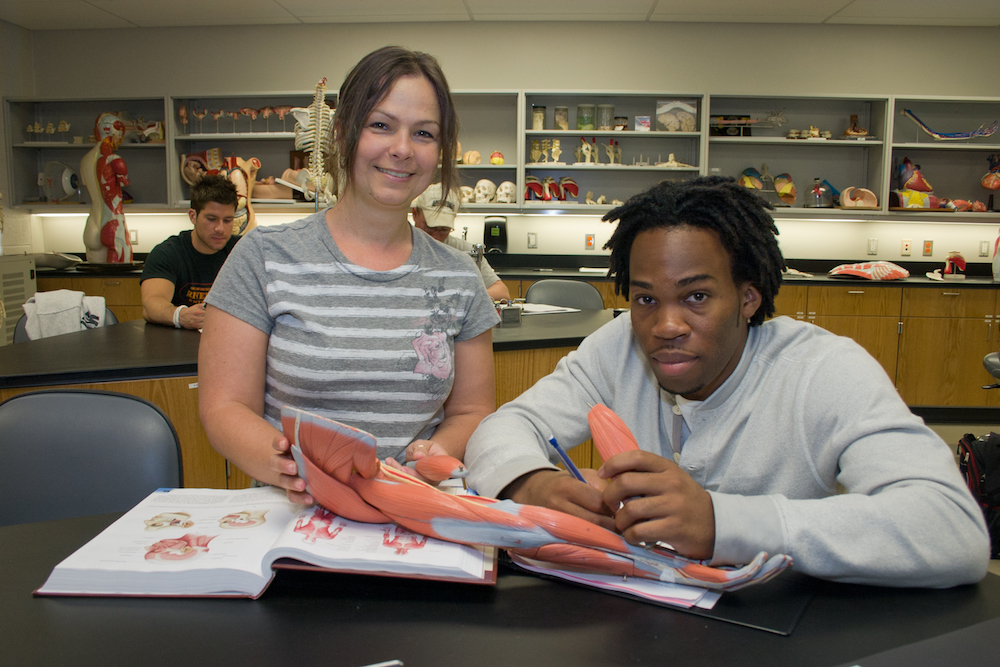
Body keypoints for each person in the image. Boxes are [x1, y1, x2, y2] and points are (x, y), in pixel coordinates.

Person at [465, 177, 990, 588]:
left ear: (748, 297)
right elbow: (507, 426)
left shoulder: (825, 370)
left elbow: (950, 530)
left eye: (696, 296)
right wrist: (533, 484)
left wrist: (722, 522)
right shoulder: (618, 344)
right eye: (646, 298)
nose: (665, 325)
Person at [199, 46, 499, 505]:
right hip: (295, 511)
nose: (401, 149)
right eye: (381, 125)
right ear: (343, 132)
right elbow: (225, 407)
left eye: (423, 133)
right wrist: (293, 468)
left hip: (417, 506)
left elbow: (473, 409)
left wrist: (437, 453)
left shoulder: (460, 275)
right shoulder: (262, 256)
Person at [140, 175, 239, 330]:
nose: (220, 228)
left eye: (227, 221)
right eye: (211, 219)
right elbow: (151, 304)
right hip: (177, 345)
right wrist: (180, 315)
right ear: (193, 216)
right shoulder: (167, 253)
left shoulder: (241, 251)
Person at [412, 183, 511, 301]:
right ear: (414, 214)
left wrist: (460, 299)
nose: (436, 237)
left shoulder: (464, 250)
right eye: (430, 228)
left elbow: (501, 292)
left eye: (444, 229)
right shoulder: (398, 248)